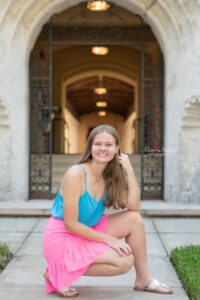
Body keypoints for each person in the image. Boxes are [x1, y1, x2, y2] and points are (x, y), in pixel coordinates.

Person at [43, 124, 173, 297]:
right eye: (98, 144)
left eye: (109, 144)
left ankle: (144, 278)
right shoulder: (76, 174)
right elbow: (71, 225)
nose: (103, 149)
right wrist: (110, 240)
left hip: (89, 230)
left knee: (134, 219)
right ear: (90, 147)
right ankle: (58, 272)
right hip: (63, 238)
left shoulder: (110, 176)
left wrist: (129, 169)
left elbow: (134, 206)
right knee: (124, 261)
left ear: (117, 149)